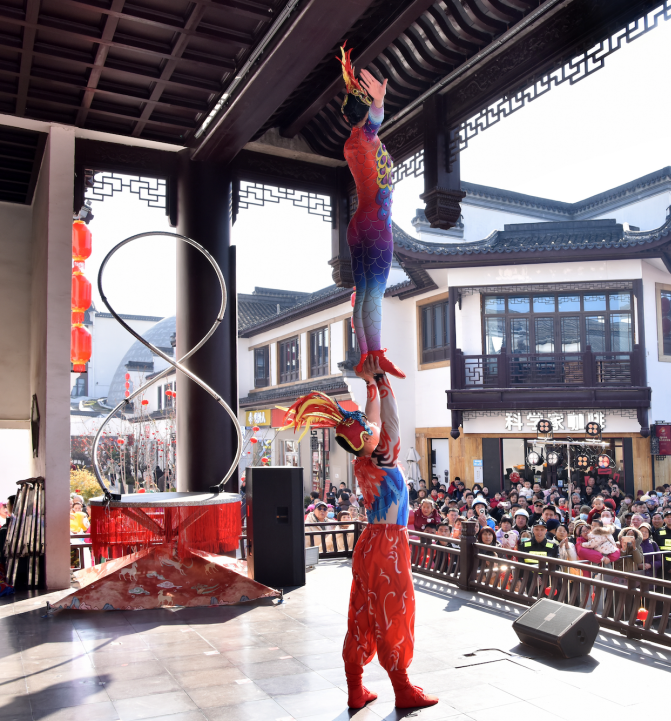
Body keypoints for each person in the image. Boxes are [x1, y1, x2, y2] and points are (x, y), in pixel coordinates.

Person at [280, 356, 435, 710]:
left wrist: (371, 382)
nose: (373, 423)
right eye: (368, 426)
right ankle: (403, 688)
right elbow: (389, 418)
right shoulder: (383, 458)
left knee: (362, 613)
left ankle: (355, 687)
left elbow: (376, 418)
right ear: (368, 437)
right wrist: (380, 379)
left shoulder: (363, 459)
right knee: (395, 612)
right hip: (389, 546)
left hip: (368, 544)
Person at [337, 46, 404, 378]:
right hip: (376, 225)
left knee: (363, 294)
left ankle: (367, 356)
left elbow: (369, 125)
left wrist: (371, 102)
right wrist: (378, 101)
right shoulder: (365, 138)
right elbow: (374, 122)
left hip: (359, 222)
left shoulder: (351, 144)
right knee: (372, 295)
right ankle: (374, 356)